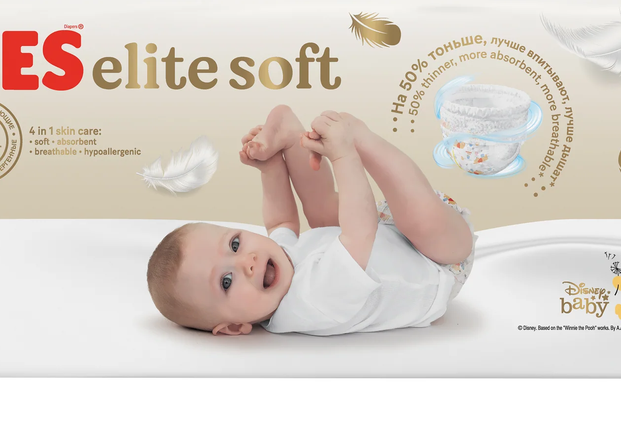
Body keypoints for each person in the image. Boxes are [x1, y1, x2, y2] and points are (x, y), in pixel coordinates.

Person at [147, 105, 475, 336]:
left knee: (322, 215)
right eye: (227, 282)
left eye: (234, 244)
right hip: (440, 264)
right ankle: (363, 139)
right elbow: (360, 231)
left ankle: (293, 138)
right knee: (419, 224)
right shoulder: (313, 301)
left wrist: (271, 167)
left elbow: (281, 221)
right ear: (234, 327)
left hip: (388, 232)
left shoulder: (275, 269)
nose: (247, 262)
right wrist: (345, 155)